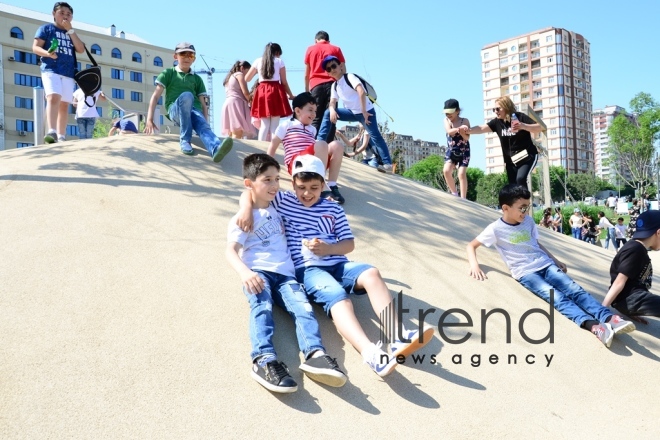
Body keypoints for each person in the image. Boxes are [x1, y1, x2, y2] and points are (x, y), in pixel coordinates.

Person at [237, 155, 434, 376]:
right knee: (338, 295)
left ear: (324, 185)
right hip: (307, 269)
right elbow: (250, 190)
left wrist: (329, 248)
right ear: (293, 185)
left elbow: (349, 244)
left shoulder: (334, 209)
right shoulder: (284, 200)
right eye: (301, 187)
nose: (307, 193)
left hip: (338, 264)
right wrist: (245, 209)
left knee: (371, 273)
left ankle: (398, 335)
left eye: (314, 187)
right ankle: (371, 354)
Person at [226, 154, 347, 393]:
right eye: (266, 180)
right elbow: (230, 250)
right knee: (262, 308)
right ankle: (263, 360)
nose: (273, 185)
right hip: (258, 272)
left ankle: (315, 354)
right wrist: (244, 272)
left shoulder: (279, 207)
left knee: (303, 309)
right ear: (250, 183)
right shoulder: (243, 218)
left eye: (276, 179)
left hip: (287, 276)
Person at [467, 184, 636, 348]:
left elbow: (536, 244)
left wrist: (555, 260)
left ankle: (609, 319)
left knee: (574, 289)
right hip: (525, 272)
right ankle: (594, 326)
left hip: (546, 264)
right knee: (558, 298)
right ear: (505, 208)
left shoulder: (528, 222)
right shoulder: (495, 229)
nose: (526, 212)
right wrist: (475, 265)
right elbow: (471, 246)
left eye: (528, 207)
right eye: (522, 208)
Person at [144, 42, 233, 161]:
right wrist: (149, 119)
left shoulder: (197, 79)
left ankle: (215, 148)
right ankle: (185, 139)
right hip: (176, 110)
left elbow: (203, 104)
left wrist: (205, 122)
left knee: (201, 123)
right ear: (175, 56)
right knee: (187, 95)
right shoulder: (169, 73)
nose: (187, 58)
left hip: (194, 111)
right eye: (183, 54)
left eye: (190, 56)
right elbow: (155, 96)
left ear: (194, 59)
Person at [316, 56, 394, 174]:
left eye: (334, 66)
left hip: (366, 112)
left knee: (375, 135)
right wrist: (332, 110)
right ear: (327, 73)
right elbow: (332, 102)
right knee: (327, 113)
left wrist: (364, 111)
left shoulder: (349, 77)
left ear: (340, 66)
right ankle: (319, 143)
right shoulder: (335, 86)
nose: (332, 70)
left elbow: (361, 91)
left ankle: (387, 164)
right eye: (328, 69)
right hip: (352, 113)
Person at [267, 92, 345, 204]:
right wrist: (267, 168)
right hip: (297, 163)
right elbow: (273, 145)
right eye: (310, 110)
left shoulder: (312, 129)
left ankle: (332, 184)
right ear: (298, 111)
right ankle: (321, 186)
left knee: (337, 145)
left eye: (315, 111)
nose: (314, 114)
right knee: (322, 144)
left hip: (312, 163)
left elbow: (317, 150)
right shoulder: (287, 125)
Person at [32, 2, 85, 144]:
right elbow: (35, 47)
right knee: (53, 97)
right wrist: (48, 54)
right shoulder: (46, 29)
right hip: (51, 69)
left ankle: (61, 135)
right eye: (62, 13)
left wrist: (71, 30)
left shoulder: (70, 33)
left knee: (64, 104)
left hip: (68, 72)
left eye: (68, 14)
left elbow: (80, 49)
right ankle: (52, 131)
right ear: (54, 14)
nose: (65, 16)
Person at [465, 96, 543, 186]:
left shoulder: (519, 117)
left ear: (506, 107)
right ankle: (520, 200)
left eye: (498, 109)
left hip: (527, 156)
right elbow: (482, 128)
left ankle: (524, 200)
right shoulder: (497, 122)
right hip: (511, 161)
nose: (495, 112)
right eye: (494, 109)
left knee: (520, 179)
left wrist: (523, 126)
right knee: (513, 186)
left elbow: (538, 128)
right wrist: (468, 130)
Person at [605, 210, 660, 324]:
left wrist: (630, 312)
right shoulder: (635, 249)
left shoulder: (636, 247)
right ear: (658, 232)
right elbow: (619, 282)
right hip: (630, 299)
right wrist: (601, 311)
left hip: (631, 300)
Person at [245, 43, 295, 142]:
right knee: (275, 125)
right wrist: (291, 95)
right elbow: (284, 82)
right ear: (277, 52)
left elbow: (247, 78)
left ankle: (260, 149)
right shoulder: (279, 61)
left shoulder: (258, 61)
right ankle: (273, 149)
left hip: (262, 91)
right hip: (276, 90)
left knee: (264, 124)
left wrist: (259, 72)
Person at [304, 31, 346, 142]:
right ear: (328, 40)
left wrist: (307, 91)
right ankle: (328, 146)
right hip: (333, 85)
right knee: (332, 117)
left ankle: (312, 144)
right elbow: (343, 69)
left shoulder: (310, 49)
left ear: (315, 40)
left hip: (315, 86)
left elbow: (306, 74)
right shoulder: (336, 49)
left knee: (315, 117)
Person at [442, 99, 471, 198]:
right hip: (451, 150)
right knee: (446, 170)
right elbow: (449, 132)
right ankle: (454, 193)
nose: (448, 115)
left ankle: (463, 198)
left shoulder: (465, 121)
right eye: (446, 113)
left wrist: (463, 131)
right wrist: (459, 129)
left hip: (464, 151)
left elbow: (467, 138)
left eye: (450, 112)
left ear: (457, 111)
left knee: (461, 173)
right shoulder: (446, 121)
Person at [221, 61, 256, 139]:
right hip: (236, 104)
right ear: (242, 68)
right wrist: (252, 102)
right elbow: (245, 93)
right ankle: (234, 150)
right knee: (237, 132)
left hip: (228, 103)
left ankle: (230, 150)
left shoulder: (229, 78)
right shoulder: (239, 75)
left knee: (232, 133)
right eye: (248, 72)